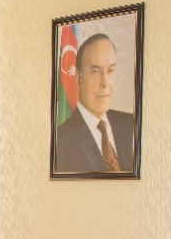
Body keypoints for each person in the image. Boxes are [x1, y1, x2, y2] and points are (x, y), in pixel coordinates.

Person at [53, 33, 137, 175]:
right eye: (96, 71)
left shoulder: (131, 124)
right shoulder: (60, 142)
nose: (105, 83)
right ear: (78, 78)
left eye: (110, 70)